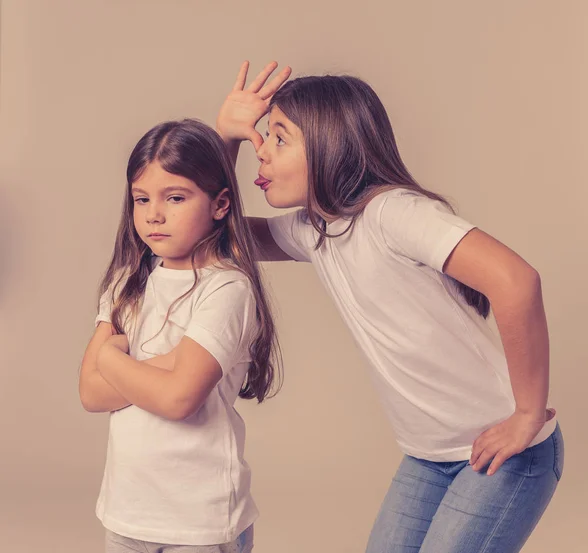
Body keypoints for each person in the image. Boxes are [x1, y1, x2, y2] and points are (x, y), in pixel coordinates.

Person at [215, 61, 564, 553]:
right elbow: (214, 231)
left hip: (505, 454)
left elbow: (517, 281)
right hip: (426, 458)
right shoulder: (314, 230)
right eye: (260, 140)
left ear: (330, 143)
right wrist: (224, 139)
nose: (261, 154)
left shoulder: (392, 212)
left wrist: (527, 414)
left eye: (278, 138)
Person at [78, 118, 282, 553]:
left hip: (200, 521)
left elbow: (178, 399)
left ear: (220, 205)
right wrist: (170, 365)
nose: (154, 213)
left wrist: (114, 360)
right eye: (141, 198)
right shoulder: (126, 282)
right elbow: (91, 394)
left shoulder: (226, 288)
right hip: (127, 510)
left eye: (175, 197)